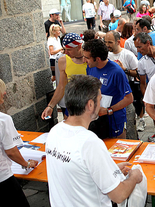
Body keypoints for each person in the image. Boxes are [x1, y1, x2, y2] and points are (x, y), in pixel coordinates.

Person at [46, 75, 143, 207]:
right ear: (90, 105)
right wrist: (134, 177)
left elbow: (78, 173)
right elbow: (119, 195)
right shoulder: (90, 143)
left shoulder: (54, 131)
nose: (101, 103)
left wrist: (110, 170)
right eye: (100, 99)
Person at [83, 39, 133, 139]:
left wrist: (108, 110)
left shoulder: (116, 72)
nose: (84, 60)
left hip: (114, 119)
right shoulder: (90, 67)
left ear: (97, 59)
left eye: (87, 58)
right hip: (96, 119)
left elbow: (129, 98)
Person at [0, 79, 38, 207]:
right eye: (3, 92)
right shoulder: (3, 120)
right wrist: (26, 163)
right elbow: (11, 151)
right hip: (3, 177)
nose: (4, 94)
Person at [41, 33, 87, 119]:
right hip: (74, 104)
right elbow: (62, 86)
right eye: (64, 49)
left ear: (79, 47)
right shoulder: (63, 60)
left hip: (90, 105)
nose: (65, 52)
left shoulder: (90, 58)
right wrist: (50, 106)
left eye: (69, 50)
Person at [105, 31, 139, 138]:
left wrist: (124, 70)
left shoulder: (128, 55)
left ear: (118, 42)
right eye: (105, 42)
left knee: (129, 125)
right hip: (111, 96)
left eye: (110, 42)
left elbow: (138, 73)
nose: (107, 45)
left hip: (126, 93)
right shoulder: (105, 55)